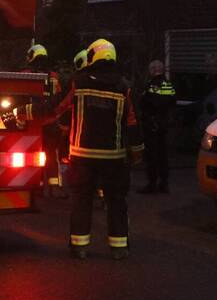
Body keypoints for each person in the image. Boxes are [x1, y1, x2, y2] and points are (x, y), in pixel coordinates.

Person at [55, 38, 141, 260]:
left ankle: (80, 247)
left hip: (82, 157)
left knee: (81, 201)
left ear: (92, 56)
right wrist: (137, 151)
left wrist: (28, 112)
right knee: (116, 202)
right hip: (115, 158)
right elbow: (132, 122)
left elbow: (58, 108)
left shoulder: (79, 83)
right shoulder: (124, 87)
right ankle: (119, 248)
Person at [23, 44, 65, 194]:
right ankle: (54, 186)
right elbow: (58, 98)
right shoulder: (54, 77)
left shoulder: (25, 74)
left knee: (32, 154)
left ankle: (37, 185)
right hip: (51, 122)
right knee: (51, 155)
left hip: (32, 122)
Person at [137, 60, 177, 194]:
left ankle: (152, 183)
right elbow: (172, 102)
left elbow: (146, 102)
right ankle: (164, 183)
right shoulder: (169, 85)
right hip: (164, 125)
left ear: (153, 70)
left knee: (152, 155)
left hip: (152, 125)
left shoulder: (152, 85)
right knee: (163, 155)